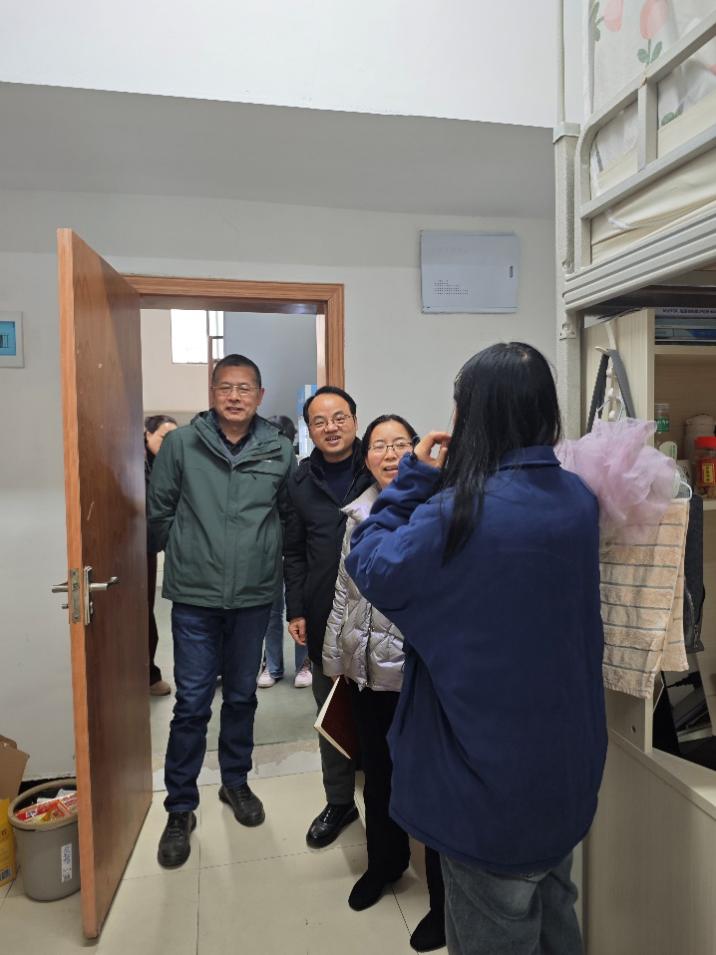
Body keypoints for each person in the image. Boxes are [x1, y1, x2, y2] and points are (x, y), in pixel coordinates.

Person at [346, 343, 607, 955]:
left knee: (495, 926)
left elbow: (371, 564)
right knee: (555, 909)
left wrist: (412, 479)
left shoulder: (459, 511)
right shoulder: (578, 499)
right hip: (565, 767)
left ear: (474, 415)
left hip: (485, 780)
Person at [148, 354, 296, 868]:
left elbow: (287, 517)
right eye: (225, 387)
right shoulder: (181, 445)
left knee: (241, 696)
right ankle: (179, 808)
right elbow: (160, 511)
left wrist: (264, 558)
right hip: (194, 596)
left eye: (245, 388)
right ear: (212, 393)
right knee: (191, 702)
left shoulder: (279, 449)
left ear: (259, 395)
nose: (235, 396)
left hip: (254, 595)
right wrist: (189, 553)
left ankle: (235, 782)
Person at [323, 414, 446, 952]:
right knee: (378, 778)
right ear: (366, 456)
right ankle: (385, 864)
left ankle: (444, 903)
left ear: (418, 451)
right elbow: (343, 591)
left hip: (418, 676)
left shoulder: (438, 510)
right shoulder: (357, 513)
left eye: (400, 444)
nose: (390, 454)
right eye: (379, 445)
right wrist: (337, 660)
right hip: (367, 674)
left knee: (433, 788)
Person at [283, 385, 374, 848]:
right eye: (319, 421)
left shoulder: (379, 466)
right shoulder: (299, 481)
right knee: (330, 711)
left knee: (383, 713)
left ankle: (391, 803)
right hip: (323, 614)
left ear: (355, 420)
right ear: (309, 429)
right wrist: (296, 609)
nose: (330, 427)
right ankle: (339, 801)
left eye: (339, 417)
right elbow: (294, 552)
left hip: (381, 615)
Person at [257, 415, 312, 689]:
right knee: (271, 610)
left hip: (295, 548)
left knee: (299, 606)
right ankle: (272, 665)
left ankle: (304, 663)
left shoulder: (299, 470)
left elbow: (297, 511)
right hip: (266, 549)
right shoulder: (258, 467)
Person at [144, 413, 177, 697]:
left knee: (146, 611)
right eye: (164, 437)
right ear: (147, 434)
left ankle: (148, 673)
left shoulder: (170, 463)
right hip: (130, 548)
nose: (169, 444)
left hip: (149, 547)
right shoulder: (134, 463)